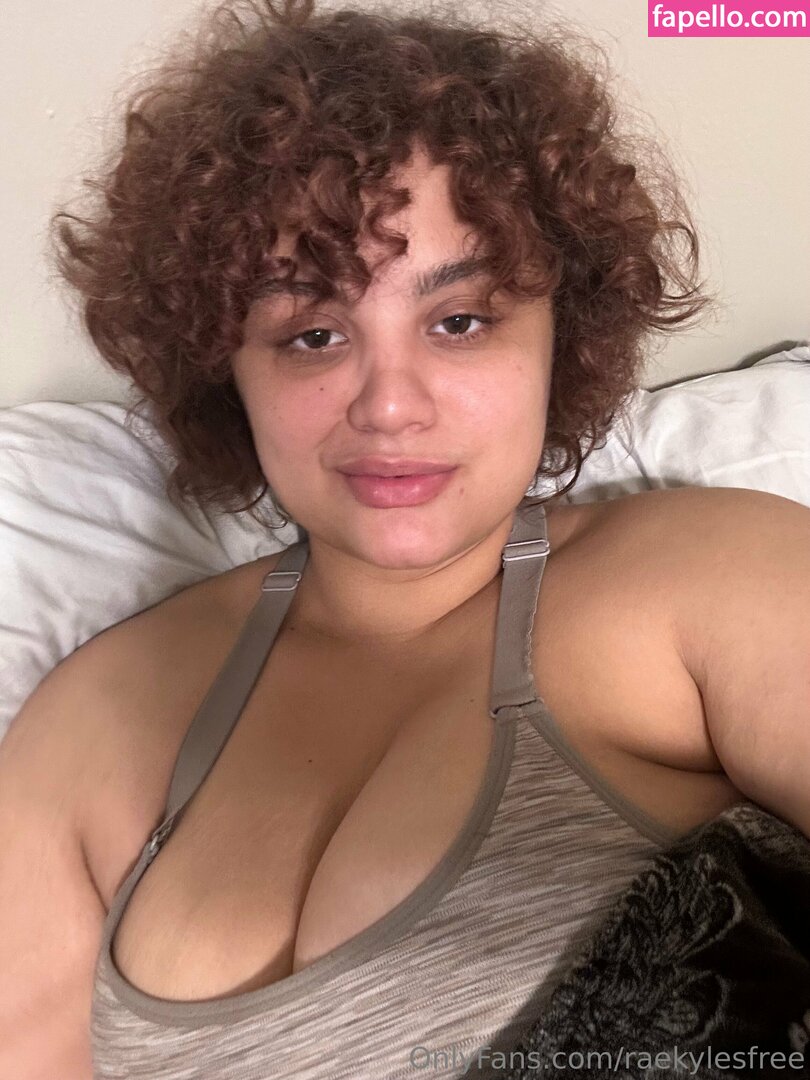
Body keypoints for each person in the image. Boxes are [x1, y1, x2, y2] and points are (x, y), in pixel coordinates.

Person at [1, 0, 808, 1076]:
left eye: (458, 321)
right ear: (223, 365)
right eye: (312, 333)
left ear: (562, 333)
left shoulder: (714, 576)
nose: (388, 405)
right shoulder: (91, 723)